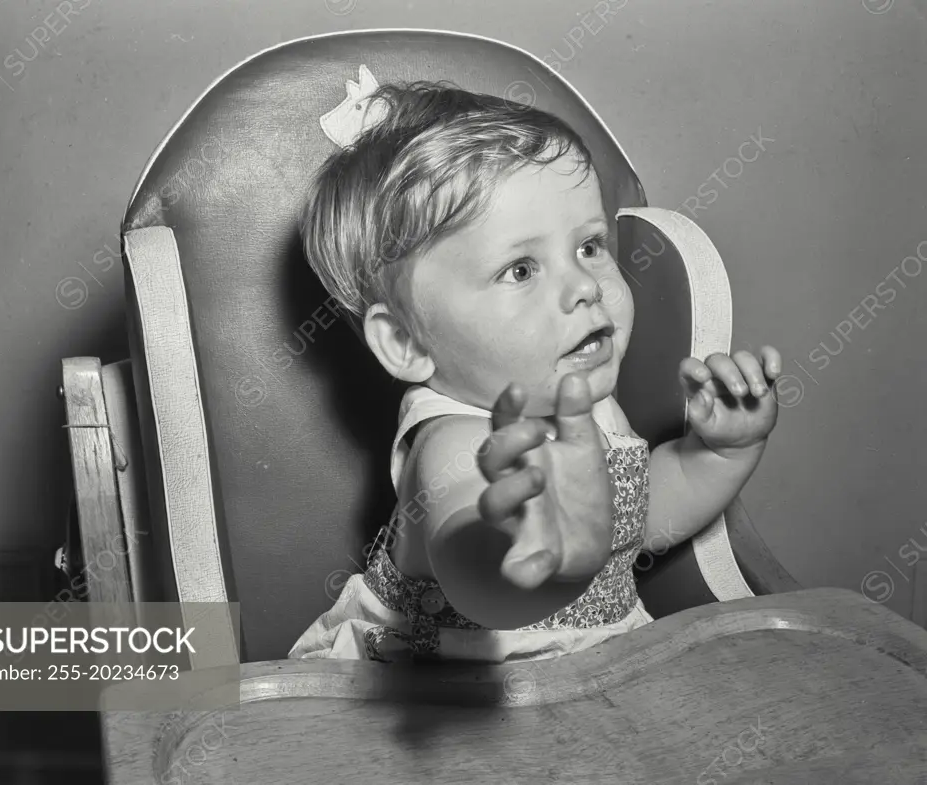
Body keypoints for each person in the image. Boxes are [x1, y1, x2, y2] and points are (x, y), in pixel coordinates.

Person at [289, 80, 781, 662]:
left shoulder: (591, 407)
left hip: (588, 682)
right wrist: (526, 562)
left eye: (590, 247)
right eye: (521, 269)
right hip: (444, 703)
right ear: (405, 340)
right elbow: (473, 553)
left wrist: (720, 452)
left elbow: (636, 523)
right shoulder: (453, 441)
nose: (583, 286)